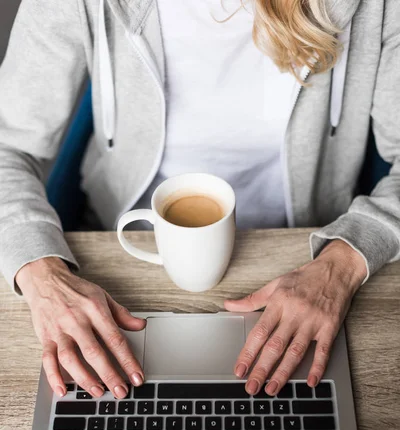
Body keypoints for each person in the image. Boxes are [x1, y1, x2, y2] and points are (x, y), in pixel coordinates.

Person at [0, 0, 399, 401]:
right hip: (120, 264)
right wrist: (41, 273)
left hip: (311, 256)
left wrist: (342, 265)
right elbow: (7, 146)